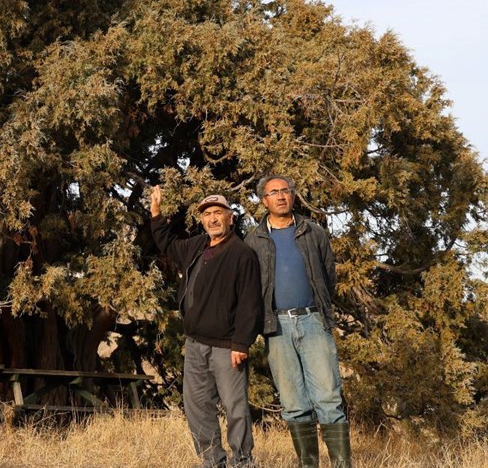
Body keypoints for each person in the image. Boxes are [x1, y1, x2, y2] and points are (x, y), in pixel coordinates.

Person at [150, 186, 262, 468]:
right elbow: (168, 244)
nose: (213, 219)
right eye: (208, 214)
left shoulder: (242, 254)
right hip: (195, 344)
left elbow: (250, 303)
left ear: (230, 218)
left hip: (227, 348)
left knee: (236, 410)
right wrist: (156, 212)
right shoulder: (197, 246)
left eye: (218, 213)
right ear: (202, 220)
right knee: (198, 409)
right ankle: (212, 462)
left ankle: (243, 462)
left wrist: (241, 343)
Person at [243, 175, 351, 468]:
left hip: (314, 321)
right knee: (294, 403)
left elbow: (329, 277)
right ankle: (308, 464)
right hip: (276, 328)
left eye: (285, 191)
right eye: (273, 192)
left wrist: (320, 311)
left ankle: (342, 464)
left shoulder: (313, 232)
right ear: (264, 201)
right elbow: (251, 288)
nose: (281, 196)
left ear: (293, 195)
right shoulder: (253, 241)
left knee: (328, 398)